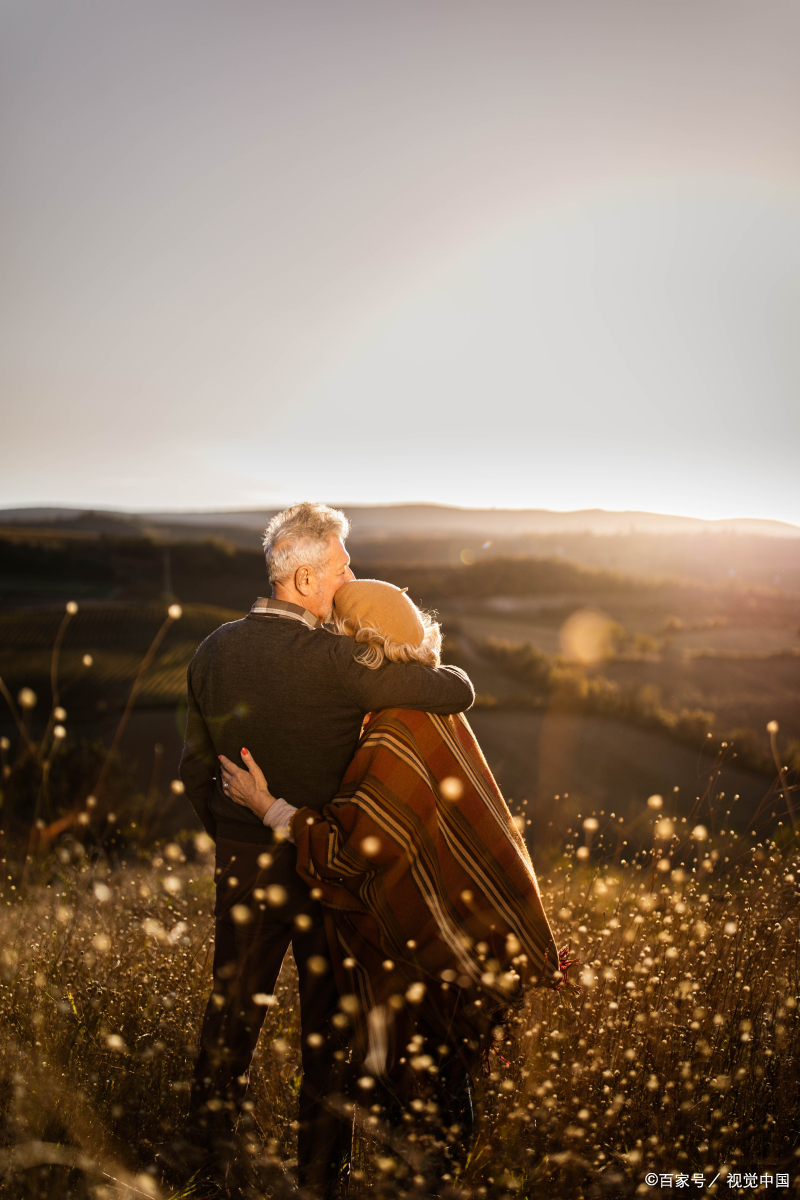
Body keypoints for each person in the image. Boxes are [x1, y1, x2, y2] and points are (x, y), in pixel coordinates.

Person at [219, 577, 573, 1184]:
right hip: (460, 943)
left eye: (338, 635)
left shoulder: (394, 729)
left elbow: (356, 850)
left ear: (365, 646)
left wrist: (268, 807)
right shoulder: (434, 712)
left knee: (421, 1100)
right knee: (441, 1084)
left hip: (426, 958)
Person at [175, 503, 475, 1199]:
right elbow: (456, 689)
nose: (350, 578)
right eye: (341, 568)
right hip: (323, 868)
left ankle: (201, 1167)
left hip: (244, 861)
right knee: (327, 1034)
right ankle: (321, 1181)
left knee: (231, 1016)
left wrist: (230, 832)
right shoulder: (342, 662)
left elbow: (196, 769)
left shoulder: (210, 650)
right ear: (305, 578)